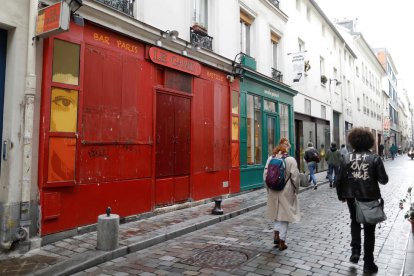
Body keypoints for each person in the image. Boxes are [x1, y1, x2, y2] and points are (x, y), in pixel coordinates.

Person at [335, 128, 388, 274]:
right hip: (369, 197)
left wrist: (341, 195)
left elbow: (338, 180)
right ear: (369, 142)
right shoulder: (375, 158)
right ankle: (368, 263)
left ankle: (355, 250)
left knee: (355, 221)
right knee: (369, 229)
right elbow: (384, 180)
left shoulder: (346, 158)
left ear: (353, 142)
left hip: (352, 197)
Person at [264, 139, 300, 251]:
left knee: (276, 213)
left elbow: (265, 175)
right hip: (286, 191)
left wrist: (268, 189)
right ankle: (282, 242)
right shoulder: (291, 160)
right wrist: (296, 190)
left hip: (273, 190)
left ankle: (276, 235)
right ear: (287, 147)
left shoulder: (271, 158)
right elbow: (296, 177)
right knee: (284, 216)